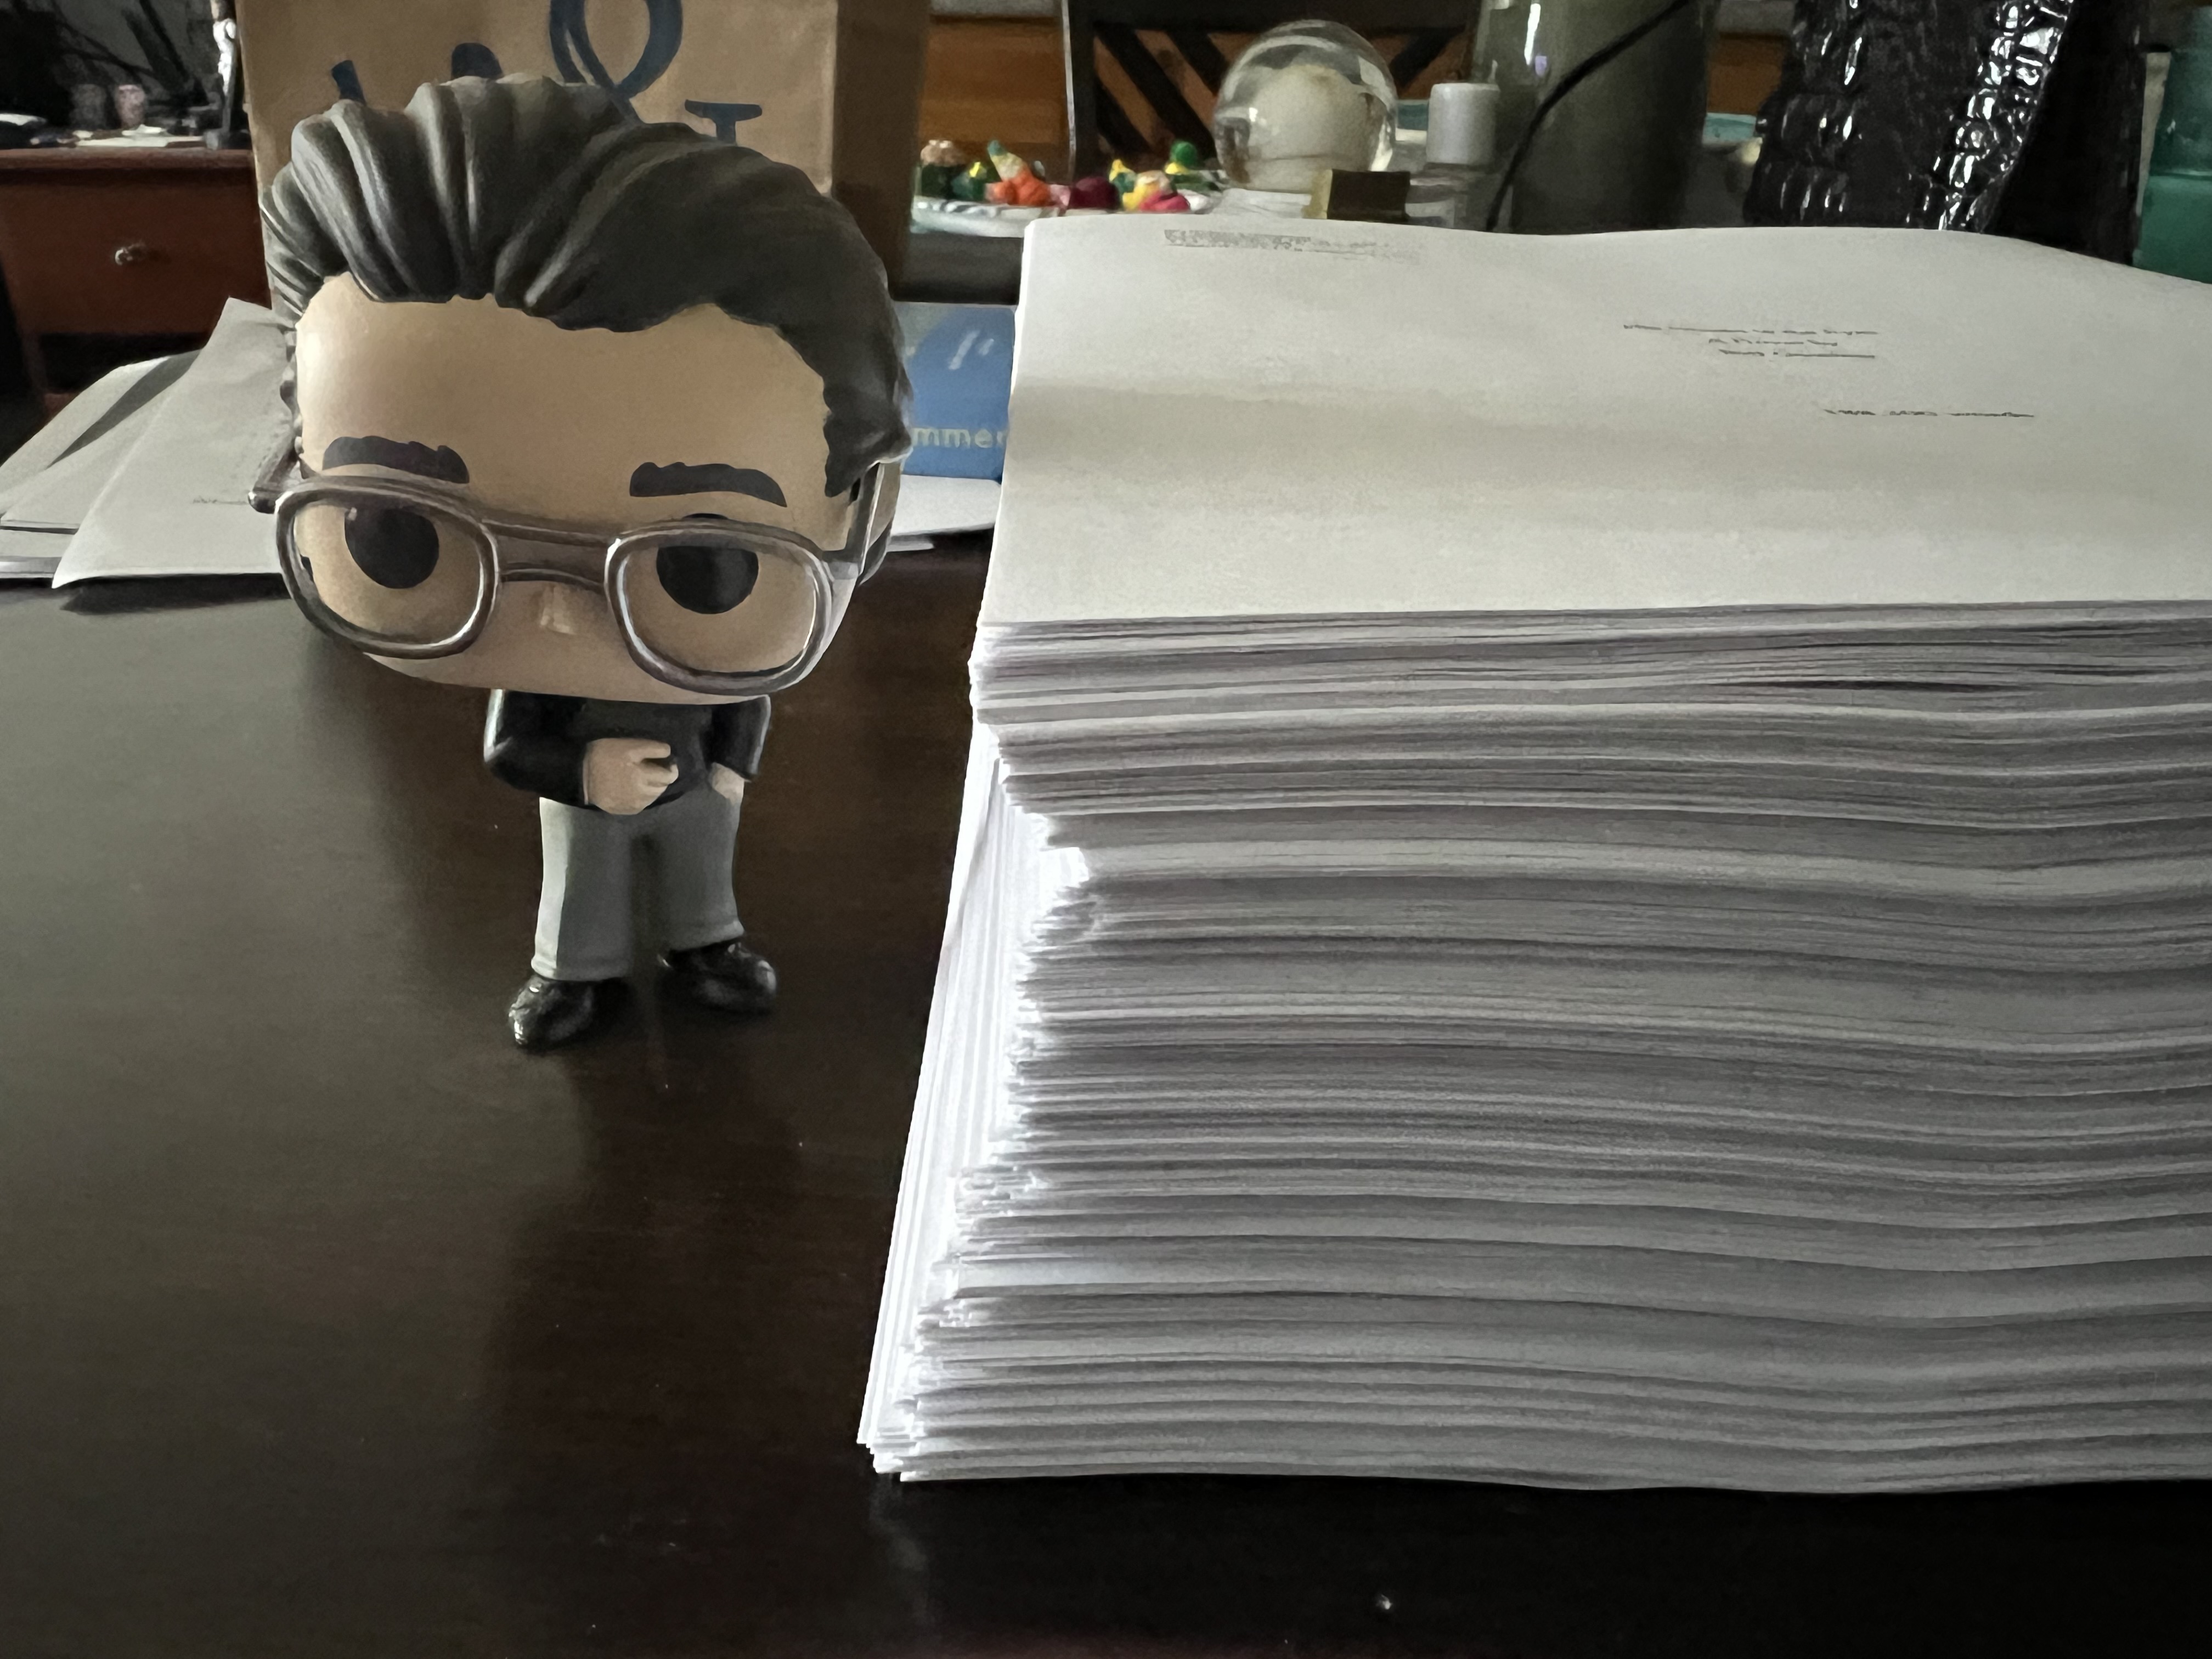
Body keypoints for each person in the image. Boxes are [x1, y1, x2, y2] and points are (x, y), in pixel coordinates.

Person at [259, 74, 907, 1050]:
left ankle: (708, 945)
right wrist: (582, 768)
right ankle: (573, 970)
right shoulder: (538, 687)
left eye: (703, 563)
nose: (559, 614)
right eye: (399, 535)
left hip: (697, 780)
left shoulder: (730, 658)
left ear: (867, 515)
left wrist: (732, 772)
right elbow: (511, 745)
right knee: (579, 882)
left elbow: (745, 702)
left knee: (702, 874)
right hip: (585, 790)